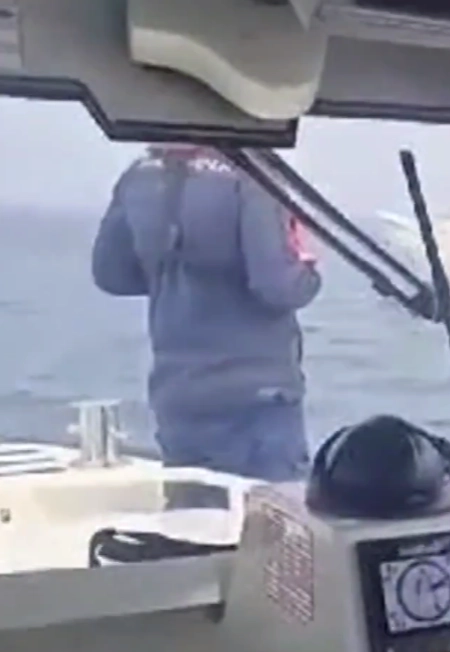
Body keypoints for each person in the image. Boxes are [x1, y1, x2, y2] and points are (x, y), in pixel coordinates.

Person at [91, 143, 322, 481]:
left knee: (193, 507)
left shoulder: (139, 176)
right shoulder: (253, 178)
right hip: (254, 396)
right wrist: (307, 266)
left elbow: (111, 274)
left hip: (178, 393)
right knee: (273, 508)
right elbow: (279, 287)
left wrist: (174, 278)